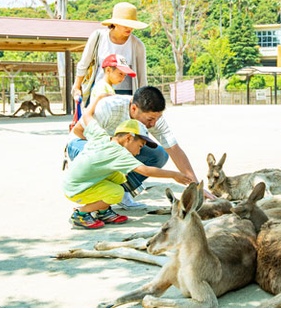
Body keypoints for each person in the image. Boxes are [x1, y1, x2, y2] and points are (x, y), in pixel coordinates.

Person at [67, 86, 211, 209]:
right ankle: (94, 196)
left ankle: (119, 194)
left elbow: (174, 149)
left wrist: (196, 186)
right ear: (134, 108)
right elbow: (79, 131)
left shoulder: (154, 117)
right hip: (82, 145)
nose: (153, 124)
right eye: (150, 120)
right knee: (107, 159)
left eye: (157, 119)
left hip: (116, 148)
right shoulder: (110, 107)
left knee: (159, 154)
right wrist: (108, 150)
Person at [63, 98, 193, 229]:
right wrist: (174, 175)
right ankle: (81, 214)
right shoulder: (118, 153)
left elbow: (86, 116)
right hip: (76, 189)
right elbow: (146, 170)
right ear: (129, 137)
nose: (138, 152)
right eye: (140, 146)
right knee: (117, 192)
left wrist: (98, 98)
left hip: (73, 181)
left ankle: (103, 211)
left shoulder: (101, 136)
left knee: (119, 176)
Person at [72, 2, 148, 106]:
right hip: (100, 91)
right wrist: (77, 87)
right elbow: (83, 64)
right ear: (115, 23)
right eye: (125, 24)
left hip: (126, 95)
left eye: (131, 25)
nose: (129, 28)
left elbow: (142, 77)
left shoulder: (138, 45)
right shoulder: (98, 37)